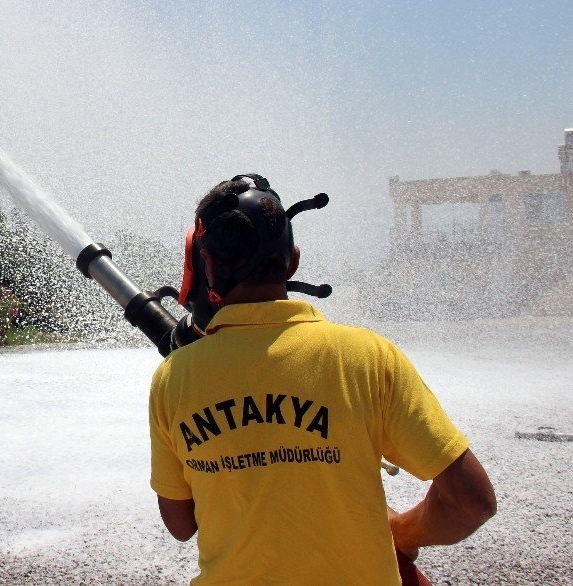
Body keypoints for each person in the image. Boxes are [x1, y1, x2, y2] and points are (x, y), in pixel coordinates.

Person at [149, 174, 496, 585]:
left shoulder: (173, 380)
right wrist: (402, 530)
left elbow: (181, 524)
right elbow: (472, 501)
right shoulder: (367, 357)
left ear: (205, 264)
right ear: (293, 259)